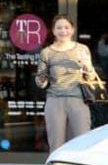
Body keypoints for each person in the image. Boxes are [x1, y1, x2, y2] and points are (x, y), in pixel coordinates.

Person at [35, 15, 93, 151]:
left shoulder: (82, 49)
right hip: (55, 100)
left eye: (67, 27)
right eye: (59, 28)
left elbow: (90, 77)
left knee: (83, 141)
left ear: (72, 30)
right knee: (56, 144)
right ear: (53, 31)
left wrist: (86, 67)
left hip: (78, 99)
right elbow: (40, 83)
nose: (63, 31)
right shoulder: (46, 52)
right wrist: (42, 78)